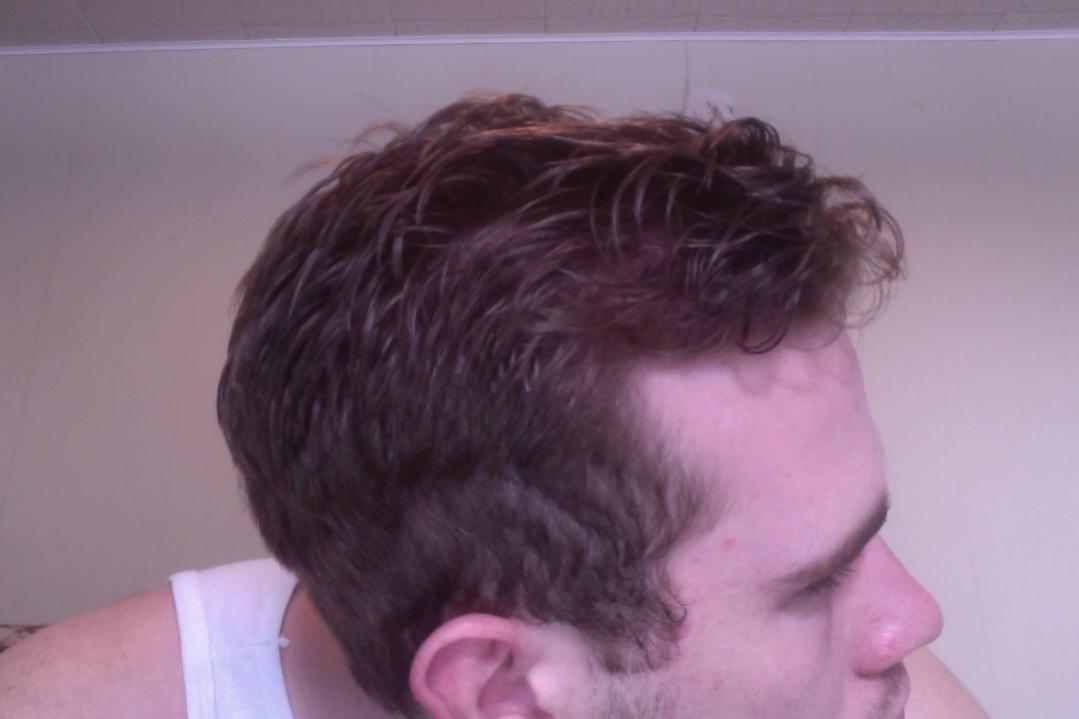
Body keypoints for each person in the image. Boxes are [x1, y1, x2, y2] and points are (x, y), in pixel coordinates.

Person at [0, 94, 987, 719]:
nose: (915, 619)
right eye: (813, 583)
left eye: (865, 538)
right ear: (501, 690)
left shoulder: (883, 695)